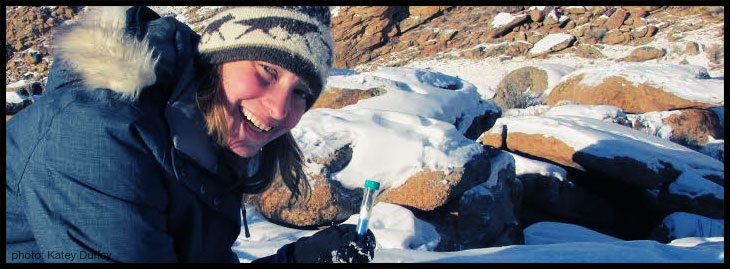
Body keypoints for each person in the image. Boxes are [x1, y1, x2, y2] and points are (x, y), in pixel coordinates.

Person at [6, 6, 376, 263]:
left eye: (302, 93)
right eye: (267, 69)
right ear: (219, 57)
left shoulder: (204, 142)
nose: (281, 110)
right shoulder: (98, 135)